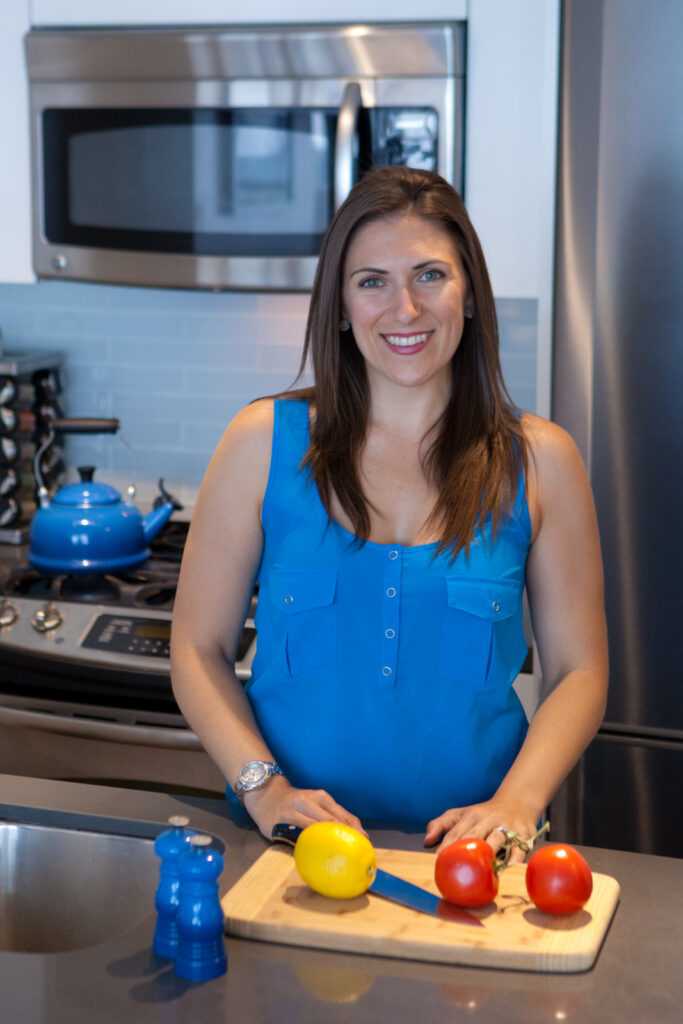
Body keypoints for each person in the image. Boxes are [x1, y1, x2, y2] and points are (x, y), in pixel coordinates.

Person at [170, 166, 608, 864]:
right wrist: (264, 790)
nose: (404, 308)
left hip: (472, 855)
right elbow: (197, 651)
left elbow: (579, 670)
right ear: (341, 306)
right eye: (371, 281)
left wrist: (517, 802)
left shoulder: (540, 461)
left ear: (468, 296)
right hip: (286, 850)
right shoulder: (261, 443)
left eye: (430, 275)